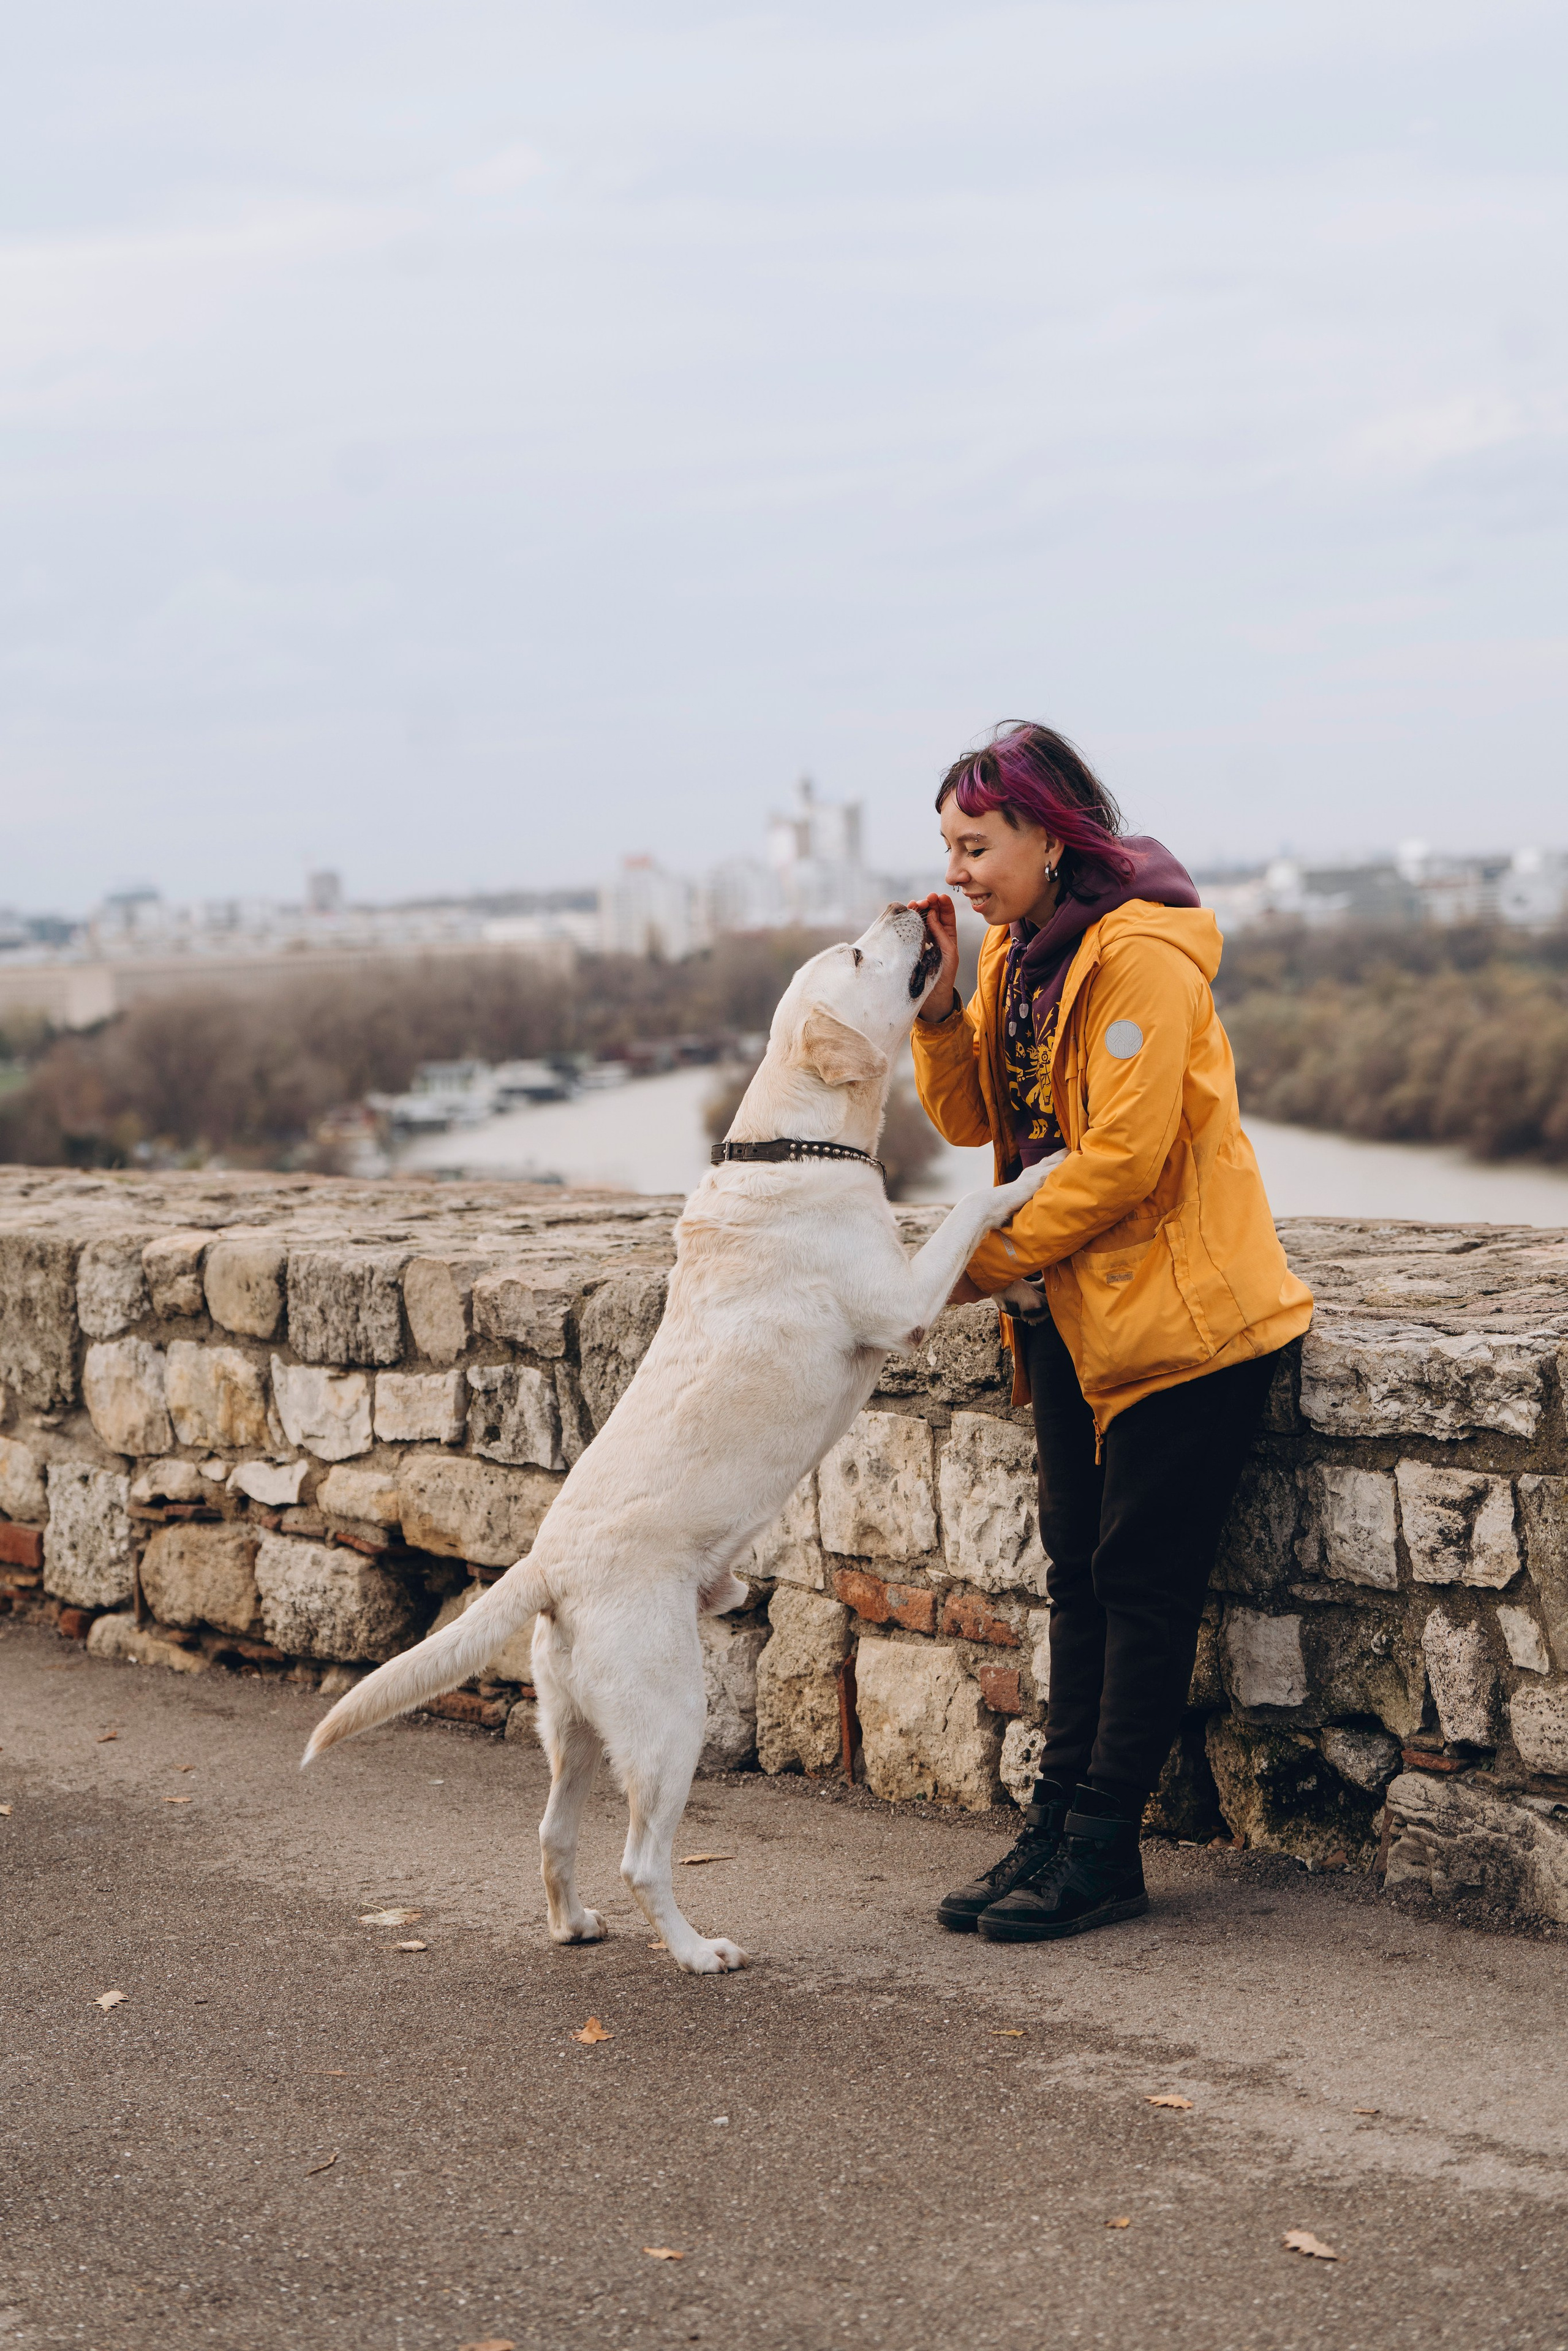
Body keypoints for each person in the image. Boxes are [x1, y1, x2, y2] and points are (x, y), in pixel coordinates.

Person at [908, 723, 1313, 1944]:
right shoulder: (1012, 957)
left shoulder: (1137, 956)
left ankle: (1101, 1848)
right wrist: (936, 1011)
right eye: (947, 848)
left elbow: (1123, 1163)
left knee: (1138, 1586)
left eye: (976, 845)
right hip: (1076, 1320)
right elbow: (976, 1111)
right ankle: (1053, 1828)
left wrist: (962, 1266)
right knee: (1077, 1577)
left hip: (1186, 1324)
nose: (960, 871)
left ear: (1048, 834)